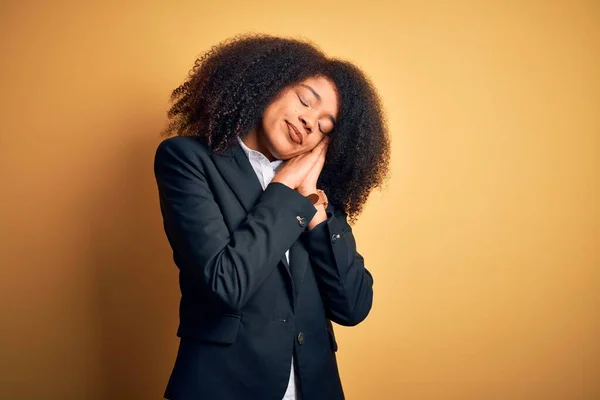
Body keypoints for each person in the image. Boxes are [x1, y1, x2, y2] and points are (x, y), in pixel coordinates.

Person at [154, 33, 390, 400]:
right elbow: (225, 285)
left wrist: (317, 214)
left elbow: (353, 306)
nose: (310, 122)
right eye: (305, 101)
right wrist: (283, 191)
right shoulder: (187, 160)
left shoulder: (316, 195)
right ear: (269, 83)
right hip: (220, 387)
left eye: (326, 127)